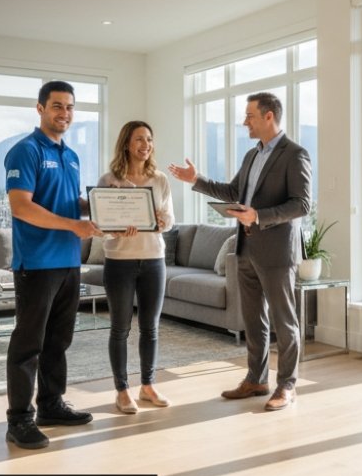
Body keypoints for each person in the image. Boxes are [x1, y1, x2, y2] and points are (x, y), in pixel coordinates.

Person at [167, 92, 312, 411]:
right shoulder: (252, 155)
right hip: (245, 249)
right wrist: (197, 180)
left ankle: (287, 385)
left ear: (269, 116)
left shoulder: (294, 154)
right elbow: (234, 192)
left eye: (250, 116)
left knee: (284, 321)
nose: (245, 121)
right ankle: (257, 379)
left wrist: (259, 216)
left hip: (276, 252)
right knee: (253, 319)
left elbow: (301, 204)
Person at [2, 80, 101, 449]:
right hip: (37, 263)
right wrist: (73, 225)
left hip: (68, 261)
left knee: (59, 340)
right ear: (40, 108)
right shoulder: (24, 151)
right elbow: (21, 206)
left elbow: (69, 203)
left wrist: (99, 207)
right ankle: (19, 420)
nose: (65, 113)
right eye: (57, 106)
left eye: (70, 107)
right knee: (29, 343)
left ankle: (51, 405)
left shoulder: (71, 156)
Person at [98, 121, 174, 414]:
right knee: (120, 328)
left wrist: (163, 221)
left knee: (150, 328)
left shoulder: (160, 180)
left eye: (149, 140)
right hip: (119, 262)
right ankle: (121, 390)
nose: (146, 145)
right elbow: (102, 226)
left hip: (154, 260)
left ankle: (148, 385)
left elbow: (170, 220)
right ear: (127, 144)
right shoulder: (110, 180)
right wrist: (113, 230)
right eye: (140, 139)